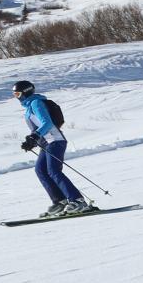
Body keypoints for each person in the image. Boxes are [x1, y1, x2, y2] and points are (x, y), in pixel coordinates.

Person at [14, 81, 88, 217]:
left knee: (53, 170)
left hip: (55, 141)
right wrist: (31, 142)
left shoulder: (36, 103)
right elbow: (37, 128)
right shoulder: (29, 107)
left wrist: (35, 136)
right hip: (46, 143)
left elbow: (47, 123)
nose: (17, 97)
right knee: (40, 170)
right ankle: (60, 201)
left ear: (26, 92)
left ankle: (78, 200)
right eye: (15, 95)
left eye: (18, 94)